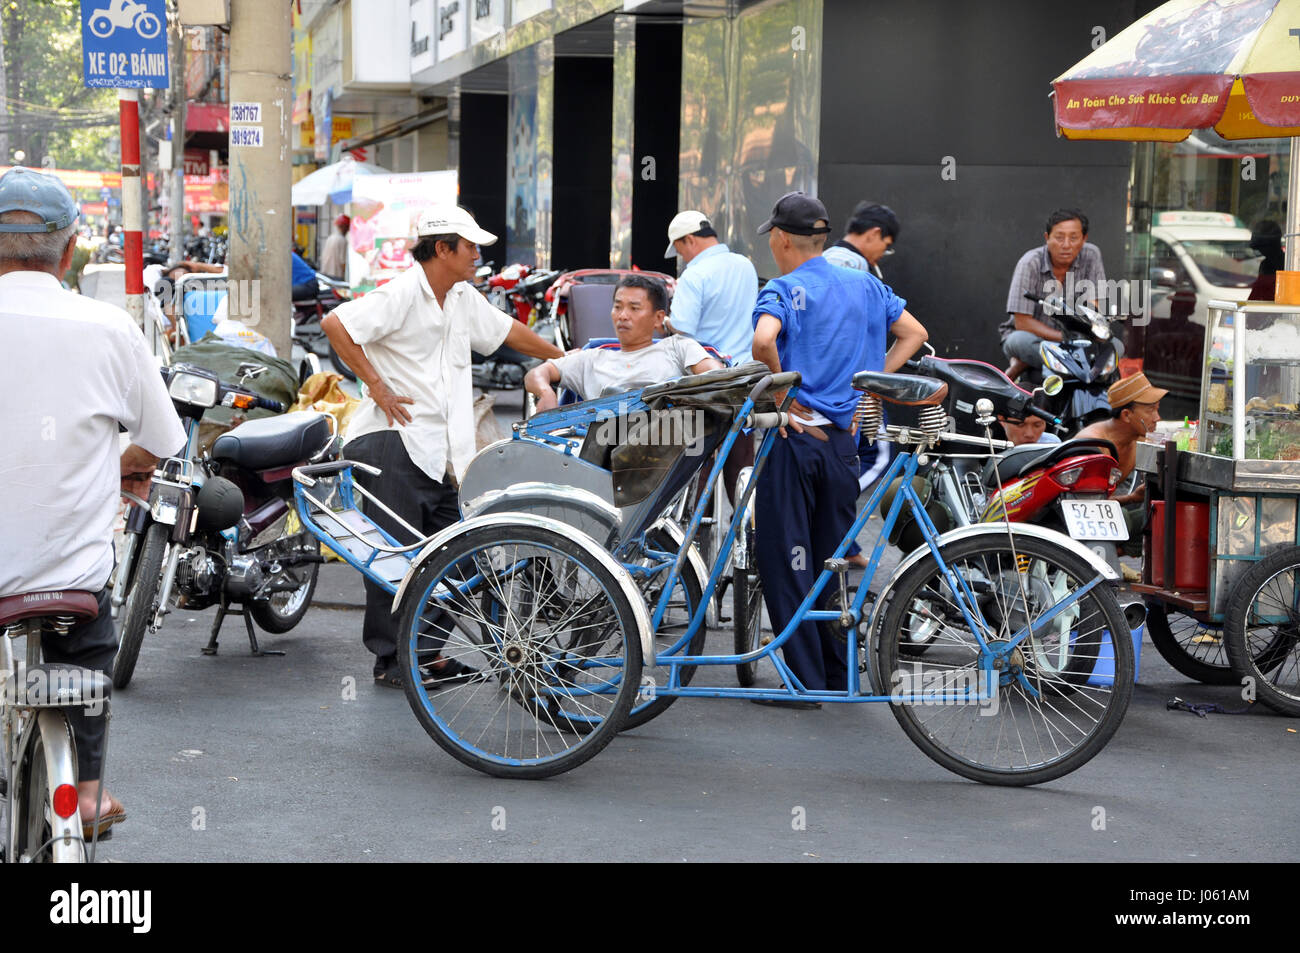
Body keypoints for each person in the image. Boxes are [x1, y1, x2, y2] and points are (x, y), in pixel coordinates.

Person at [0, 167, 187, 838]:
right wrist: (118, 464)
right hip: (69, 583)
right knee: (87, 651)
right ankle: (86, 791)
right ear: (70, 250)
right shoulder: (108, 328)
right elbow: (162, 440)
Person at [322, 205, 563, 688]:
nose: (477, 256)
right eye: (470, 247)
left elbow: (506, 332)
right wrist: (377, 386)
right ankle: (394, 661)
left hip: (440, 451)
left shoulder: (460, 297)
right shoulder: (402, 293)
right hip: (390, 444)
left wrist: (566, 358)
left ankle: (423, 655)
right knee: (395, 561)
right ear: (442, 250)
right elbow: (336, 325)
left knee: (455, 559)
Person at [750, 191, 929, 707]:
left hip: (795, 437)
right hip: (844, 444)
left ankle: (803, 682)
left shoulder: (785, 288)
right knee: (832, 558)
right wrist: (870, 386)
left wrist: (784, 396)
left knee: (786, 560)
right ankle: (836, 673)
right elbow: (914, 333)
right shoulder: (865, 285)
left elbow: (765, 342)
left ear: (781, 239)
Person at [662, 209, 760, 506]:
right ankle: (748, 534)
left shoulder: (694, 275)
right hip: (745, 379)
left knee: (697, 465)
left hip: (706, 382)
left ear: (688, 240)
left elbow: (682, 330)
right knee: (741, 466)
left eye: (679, 249)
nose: (681, 257)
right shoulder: (745, 265)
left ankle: (686, 533)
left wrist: (663, 321)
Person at [526, 273, 723, 411]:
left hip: (665, 445)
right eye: (618, 307)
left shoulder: (678, 347)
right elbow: (537, 373)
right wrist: (546, 392)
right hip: (601, 455)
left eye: (634, 308)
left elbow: (717, 376)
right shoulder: (591, 358)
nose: (623, 316)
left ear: (658, 318)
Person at [1001, 208, 1107, 382]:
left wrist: (1086, 329)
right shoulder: (1030, 262)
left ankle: (1023, 364)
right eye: (1059, 237)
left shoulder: (1091, 255)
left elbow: (1093, 307)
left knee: (1114, 347)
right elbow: (1022, 322)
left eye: (1073, 238)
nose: (1066, 244)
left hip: (1078, 340)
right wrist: (1064, 338)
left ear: (1084, 239)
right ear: (1047, 238)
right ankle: (1062, 364)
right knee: (1020, 341)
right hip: (1033, 337)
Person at [1076, 372, 1167, 574]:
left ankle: (1107, 558)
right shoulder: (1096, 444)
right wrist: (1131, 498)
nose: (1157, 418)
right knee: (1123, 517)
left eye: (1157, 410)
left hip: (1098, 509)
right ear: (1126, 415)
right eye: (1150, 410)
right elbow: (1085, 505)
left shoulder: (1136, 441)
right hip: (1074, 517)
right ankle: (1085, 561)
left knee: (1159, 513)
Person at [822, 201, 899, 279]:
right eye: (886, 245)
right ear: (874, 233)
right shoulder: (844, 261)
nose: (883, 253)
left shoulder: (827, 256)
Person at [320, 214, 350, 279]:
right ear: (344, 226)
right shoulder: (343, 240)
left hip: (325, 274)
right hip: (336, 276)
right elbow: (343, 262)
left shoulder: (330, 238)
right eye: (348, 227)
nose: (348, 229)